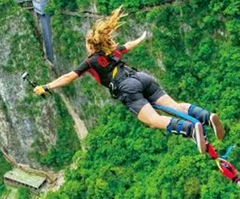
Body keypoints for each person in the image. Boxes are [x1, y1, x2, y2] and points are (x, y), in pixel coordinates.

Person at [33, 8, 224, 153]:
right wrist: (141, 38)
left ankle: (191, 129)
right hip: (142, 78)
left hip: (128, 89)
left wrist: (46, 86)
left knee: (154, 120)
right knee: (176, 106)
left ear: (91, 46)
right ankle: (207, 117)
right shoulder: (113, 52)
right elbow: (129, 45)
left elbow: (68, 77)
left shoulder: (90, 62)